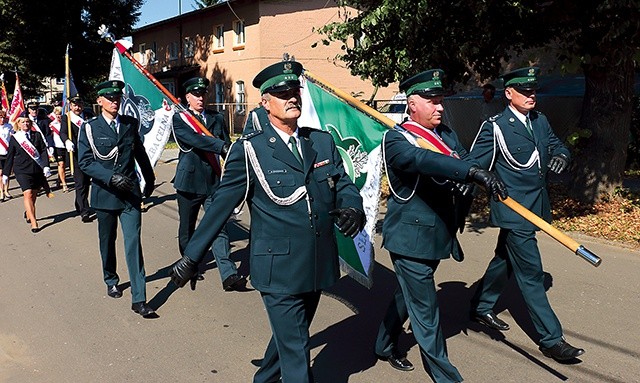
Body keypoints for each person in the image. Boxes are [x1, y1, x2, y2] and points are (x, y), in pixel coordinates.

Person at [169, 60, 365, 383]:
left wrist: (352, 207)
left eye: (295, 91)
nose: (292, 97)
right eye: (282, 92)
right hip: (277, 270)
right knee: (298, 352)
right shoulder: (250, 150)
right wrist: (191, 257)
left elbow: (343, 183)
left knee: (291, 337)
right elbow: (218, 209)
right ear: (265, 102)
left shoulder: (320, 142)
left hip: (315, 263)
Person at [374, 69, 508, 383]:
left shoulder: (445, 134)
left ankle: (383, 344)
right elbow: (424, 160)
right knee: (426, 312)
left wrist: (468, 182)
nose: (439, 107)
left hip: (437, 235)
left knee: (407, 296)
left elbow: (461, 158)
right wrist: (470, 173)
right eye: (432, 101)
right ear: (412, 104)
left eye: (440, 101)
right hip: (409, 239)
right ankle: (446, 377)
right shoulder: (396, 139)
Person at [468, 67, 583, 362]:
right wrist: (486, 181)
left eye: (534, 91)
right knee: (531, 273)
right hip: (514, 210)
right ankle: (552, 340)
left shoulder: (540, 121)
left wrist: (561, 156)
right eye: (525, 91)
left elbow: (557, 146)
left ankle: (481, 306)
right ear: (509, 94)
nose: (532, 96)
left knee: (505, 259)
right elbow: (472, 165)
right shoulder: (495, 126)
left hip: (538, 206)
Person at [77, 80, 156, 318]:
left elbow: (139, 151)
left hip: (130, 193)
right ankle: (110, 278)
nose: (114, 101)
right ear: (99, 101)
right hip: (105, 194)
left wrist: (149, 178)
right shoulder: (90, 128)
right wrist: (111, 178)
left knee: (133, 243)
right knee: (107, 241)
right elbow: (85, 162)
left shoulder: (130, 124)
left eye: (117, 98)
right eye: (109, 98)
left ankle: (139, 298)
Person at [171, 76, 245, 290]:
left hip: (213, 181)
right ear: (187, 97)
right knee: (188, 227)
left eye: (203, 94)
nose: (200, 98)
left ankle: (228, 274)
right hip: (189, 182)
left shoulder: (216, 118)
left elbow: (228, 148)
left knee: (219, 226)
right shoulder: (181, 120)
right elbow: (196, 140)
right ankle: (189, 264)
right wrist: (220, 146)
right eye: (195, 94)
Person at [2, 117, 52, 232]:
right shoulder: (15, 138)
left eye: (27, 122)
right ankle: (34, 222)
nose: (25, 124)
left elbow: (43, 150)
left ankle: (28, 212)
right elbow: (10, 156)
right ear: (18, 124)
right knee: (28, 193)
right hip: (22, 170)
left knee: (34, 194)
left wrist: (46, 166)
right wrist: (6, 173)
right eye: (23, 122)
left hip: (37, 170)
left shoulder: (37, 135)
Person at [60, 95, 94, 222]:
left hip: (90, 154)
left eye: (79, 105)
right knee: (80, 183)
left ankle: (79, 204)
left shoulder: (88, 116)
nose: (77, 108)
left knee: (86, 183)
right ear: (70, 106)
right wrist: (67, 141)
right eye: (75, 105)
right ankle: (85, 211)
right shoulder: (67, 118)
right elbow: (62, 132)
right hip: (76, 155)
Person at [48, 106, 68, 192]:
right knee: (61, 164)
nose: (59, 116)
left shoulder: (67, 123)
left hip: (67, 147)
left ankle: (60, 178)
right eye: (57, 114)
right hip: (58, 147)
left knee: (67, 166)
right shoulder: (52, 125)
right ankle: (64, 184)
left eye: (60, 114)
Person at [0, 110, 14, 201]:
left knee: (7, 173)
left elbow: (12, 137)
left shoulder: (9, 126)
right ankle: (1, 192)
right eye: (0, 118)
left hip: (7, 152)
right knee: (0, 173)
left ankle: (6, 190)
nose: (2, 119)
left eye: (3, 118)